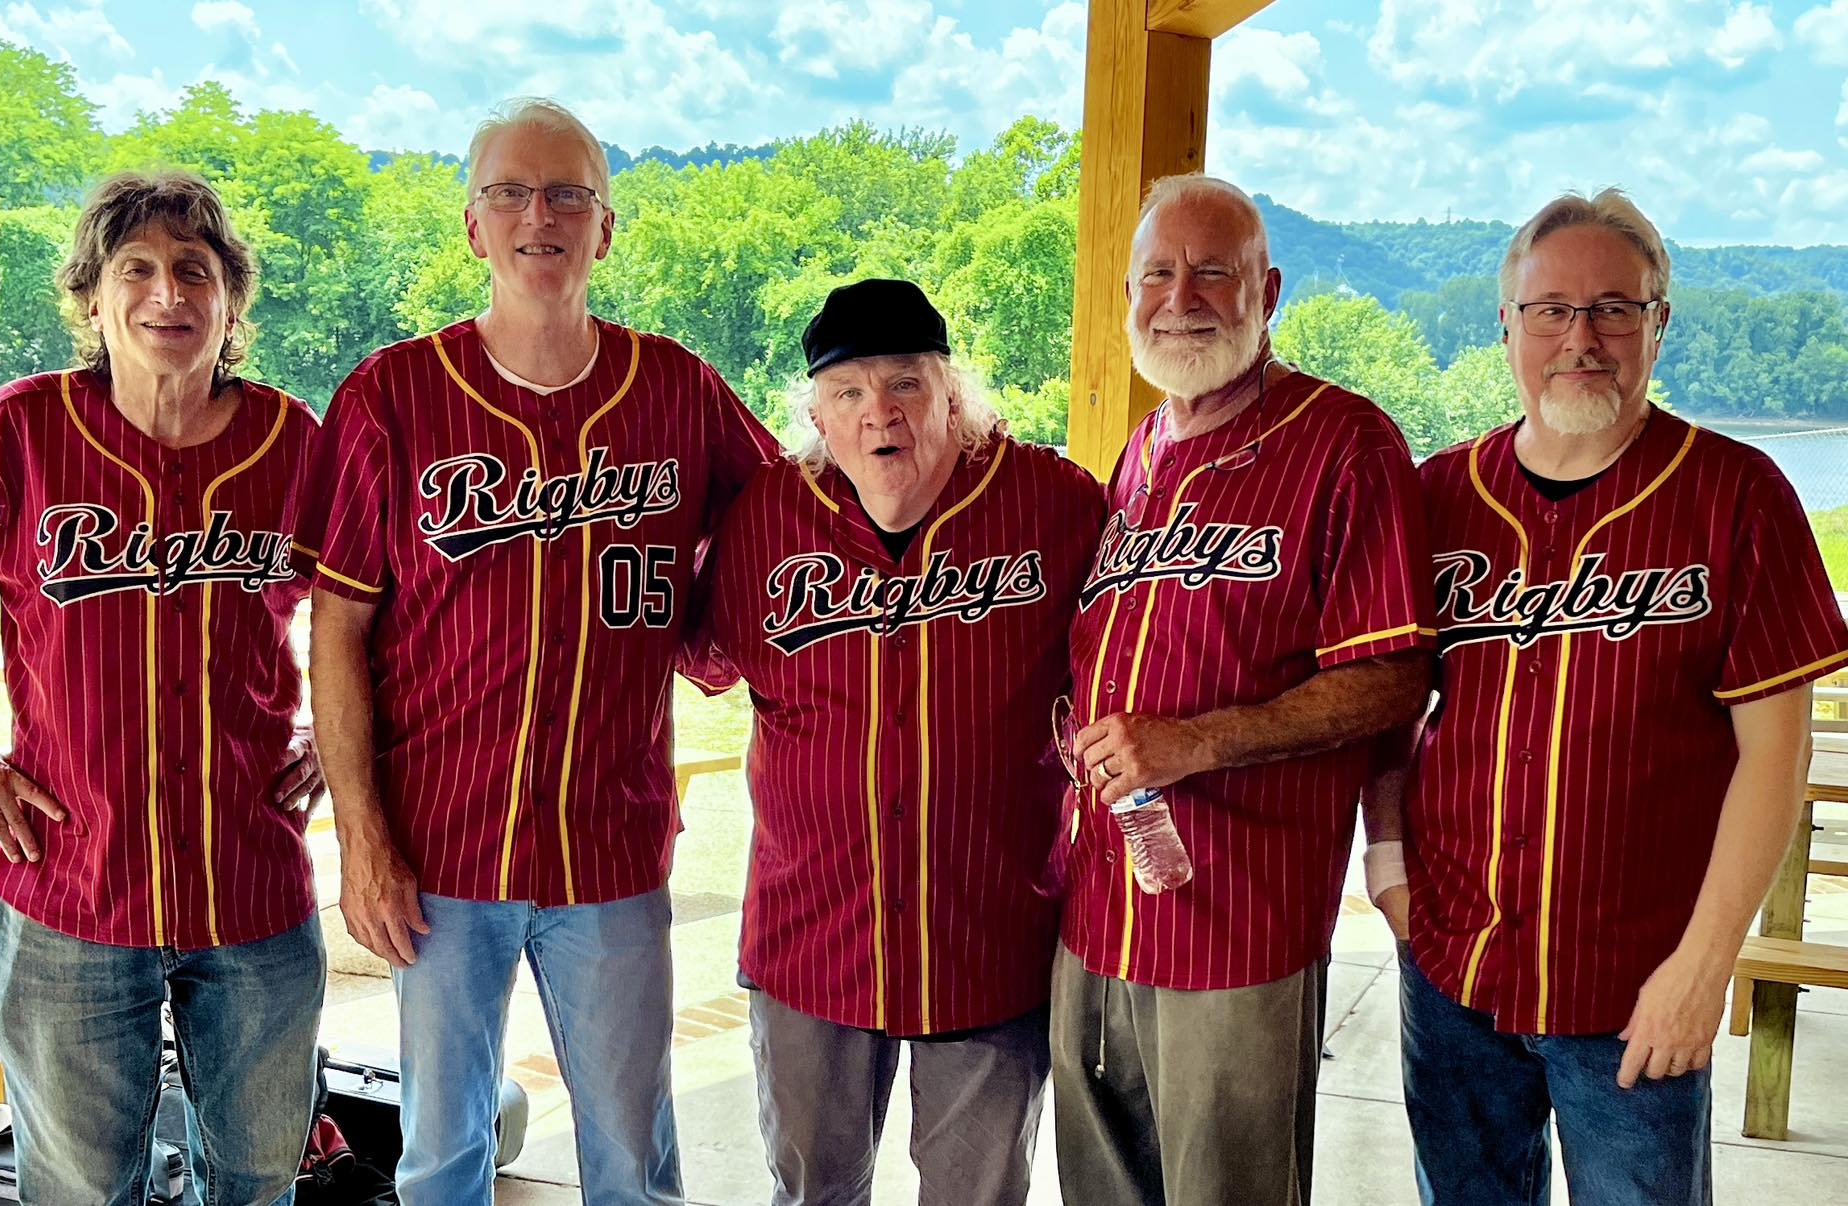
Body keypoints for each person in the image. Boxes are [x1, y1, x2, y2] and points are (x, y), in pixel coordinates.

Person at [302, 97, 778, 1205]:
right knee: (441, 1157)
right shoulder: (392, 393)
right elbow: (336, 623)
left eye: (568, 194)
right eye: (510, 193)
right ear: (473, 225)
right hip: (437, 848)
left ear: (606, 227)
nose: (539, 216)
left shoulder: (677, 388)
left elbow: (790, 525)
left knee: (633, 1160)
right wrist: (361, 841)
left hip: (610, 841)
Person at [0, 169, 325, 1204]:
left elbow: (393, 602)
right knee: (78, 1190)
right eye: (134, 269)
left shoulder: (294, 445)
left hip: (252, 882)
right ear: (92, 301)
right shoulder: (20, 432)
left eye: (195, 270)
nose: (167, 293)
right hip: (69, 887)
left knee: (261, 1182)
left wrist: (339, 741)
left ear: (231, 301)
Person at [1372, 188, 1848, 1206]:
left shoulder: (1736, 494)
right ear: (1506, 325)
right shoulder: (1438, 494)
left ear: (1657, 323)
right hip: (1453, 963)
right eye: (1550, 309)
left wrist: (1704, 967)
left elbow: (1776, 754)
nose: (1579, 339)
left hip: (1637, 983)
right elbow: (1385, 703)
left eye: (1612, 309)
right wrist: (1386, 868)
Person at [1050, 173, 1435, 1206]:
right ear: (1127, 296)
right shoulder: (1140, 451)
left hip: (1238, 918)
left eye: (1212, 273)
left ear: (1267, 291)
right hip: (1099, 908)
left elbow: (1392, 679)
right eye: (1157, 275)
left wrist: (1197, 740)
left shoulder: (1344, 442)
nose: (1180, 298)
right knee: (1099, 1189)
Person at [685, 278, 1104, 1204]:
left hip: (987, 935)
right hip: (812, 937)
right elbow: (701, 657)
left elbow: (1128, 668)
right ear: (819, 418)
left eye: (906, 383)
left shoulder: (1055, 505)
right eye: (849, 392)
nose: (880, 412)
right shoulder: (766, 518)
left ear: (954, 394)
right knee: (814, 1192)